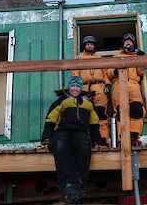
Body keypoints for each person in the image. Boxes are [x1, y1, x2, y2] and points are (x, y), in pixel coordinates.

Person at [41, 76, 102, 204]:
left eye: (77, 86)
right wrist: (46, 139)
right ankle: (70, 184)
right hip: (62, 131)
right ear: (69, 87)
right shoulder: (61, 101)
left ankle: (77, 187)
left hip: (80, 132)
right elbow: (50, 119)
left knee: (84, 147)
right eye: (73, 86)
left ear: (81, 88)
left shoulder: (88, 104)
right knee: (60, 146)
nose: (75, 89)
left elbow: (94, 123)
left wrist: (97, 141)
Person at [108, 33, 147, 146]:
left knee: (137, 110)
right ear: (123, 44)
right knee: (120, 112)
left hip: (133, 85)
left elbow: (141, 72)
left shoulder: (136, 56)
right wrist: (114, 71)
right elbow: (108, 72)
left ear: (133, 44)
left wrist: (142, 60)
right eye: (126, 41)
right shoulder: (116, 56)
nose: (128, 43)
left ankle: (134, 137)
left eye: (130, 41)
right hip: (119, 85)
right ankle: (121, 138)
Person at [72, 35, 111, 145]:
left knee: (101, 114)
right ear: (84, 46)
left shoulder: (99, 59)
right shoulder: (79, 59)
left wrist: (107, 84)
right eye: (88, 44)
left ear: (94, 46)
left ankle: (103, 140)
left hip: (99, 88)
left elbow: (105, 73)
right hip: (84, 88)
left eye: (91, 44)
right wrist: (77, 89)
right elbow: (75, 74)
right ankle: (89, 140)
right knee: (86, 114)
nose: (89, 46)